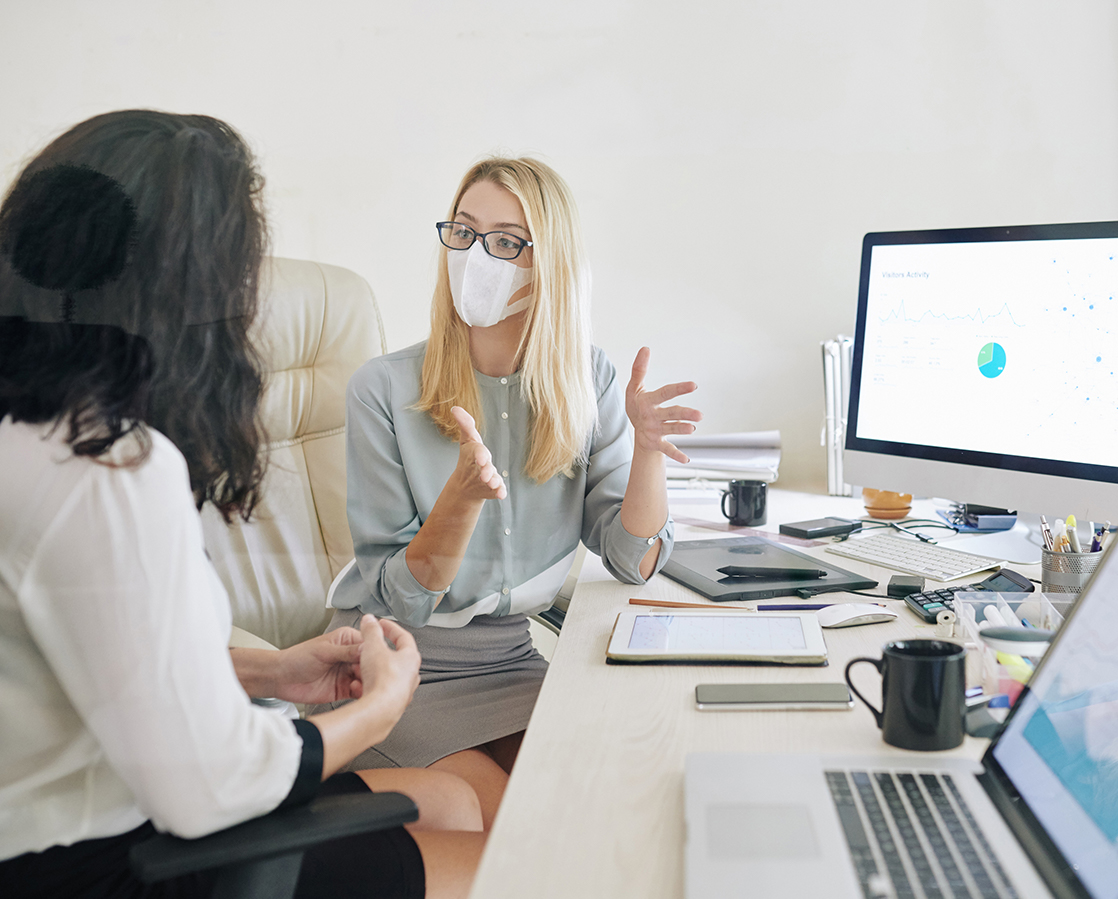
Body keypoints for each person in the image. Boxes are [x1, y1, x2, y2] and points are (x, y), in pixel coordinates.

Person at [0, 110, 484, 899]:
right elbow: (205, 789)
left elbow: (100, 649)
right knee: (510, 866)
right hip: (99, 856)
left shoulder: (30, 428)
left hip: (91, 805)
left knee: (454, 798)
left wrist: (274, 668)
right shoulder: (104, 466)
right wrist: (380, 710)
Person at [329, 156, 701, 825]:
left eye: (505, 242)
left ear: (547, 264)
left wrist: (647, 452)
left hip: (510, 660)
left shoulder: (588, 377)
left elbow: (633, 557)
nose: (476, 257)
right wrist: (462, 499)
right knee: (517, 826)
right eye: (464, 232)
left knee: (602, 801)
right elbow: (401, 595)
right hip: (396, 665)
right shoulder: (383, 388)